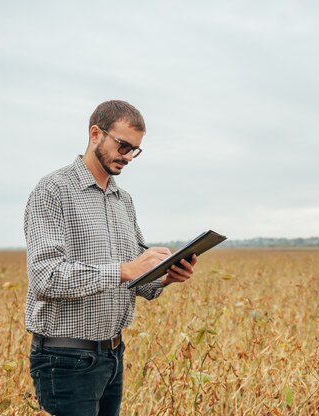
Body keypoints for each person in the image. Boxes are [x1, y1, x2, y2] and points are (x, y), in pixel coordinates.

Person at [24, 100, 197, 415]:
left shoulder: (123, 200)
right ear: (95, 134)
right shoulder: (52, 190)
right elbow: (44, 278)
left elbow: (135, 280)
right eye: (123, 146)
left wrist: (165, 276)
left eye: (135, 150)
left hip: (113, 355)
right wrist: (125, 270)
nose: (129, 156)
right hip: (65, 360)